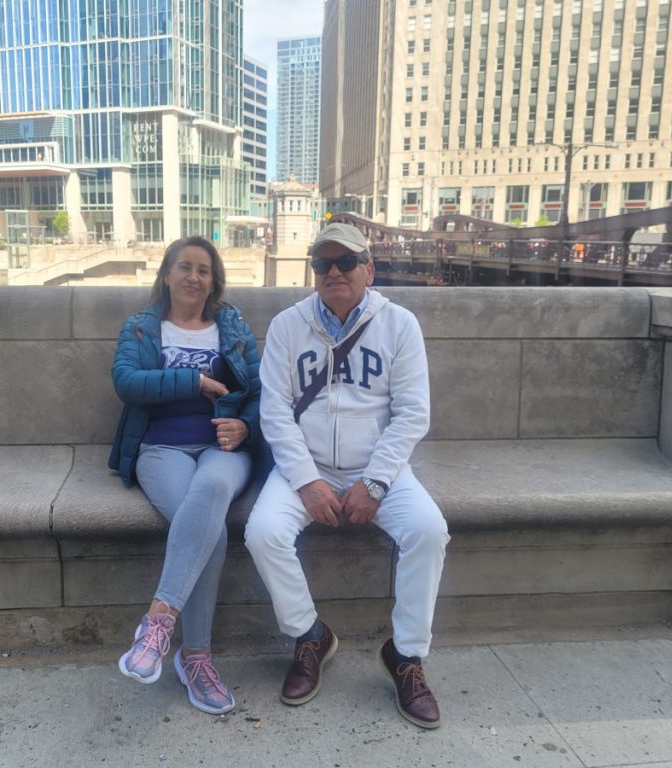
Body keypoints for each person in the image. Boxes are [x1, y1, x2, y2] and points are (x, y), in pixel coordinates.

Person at [244, 222, 450, 729]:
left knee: (428, 531)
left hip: (377, 466)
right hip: (306, 467)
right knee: (262, 532)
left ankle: (406, 656)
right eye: (322, 263)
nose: (333, 271)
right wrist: (306, 480)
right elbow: (275, 414)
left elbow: (412, 414)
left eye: (345, 261)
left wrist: (376, 482)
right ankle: (309, 636)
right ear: (313, 272)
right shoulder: (288, 325)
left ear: (369, 269)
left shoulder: (399, 324)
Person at [109, 236, 261, 716]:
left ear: (214, 279)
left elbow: (260, 390)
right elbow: (126, 382)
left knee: (214, 490)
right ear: (167, 274)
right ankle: (194, 657)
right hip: (160, 448)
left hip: (222, 446)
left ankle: (157, 624)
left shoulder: (232, 325)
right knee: (208, 532)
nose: (194, 277)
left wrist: (247, 425)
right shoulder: (141, 327)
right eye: (185, 267)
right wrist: (191, 380)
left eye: (204, 269)